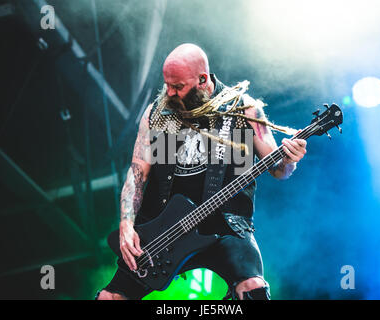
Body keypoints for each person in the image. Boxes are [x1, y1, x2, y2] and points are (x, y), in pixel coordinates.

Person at [96, 43, 307, 300]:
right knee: (110, 298)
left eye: (178, 87)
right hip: (165, 231)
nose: (170, 93)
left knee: (253, 288)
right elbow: (137, 173)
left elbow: (279, 170)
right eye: (167, 85)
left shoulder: (243, 110)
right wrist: (127, 223)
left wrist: (290, 160)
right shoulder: (157, 114)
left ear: (203, 79)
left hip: (226, 227)